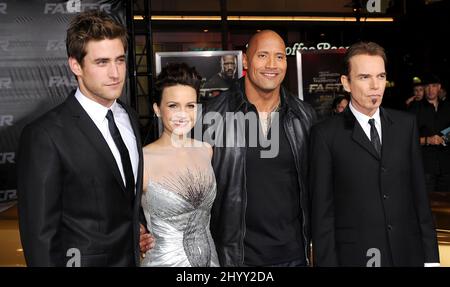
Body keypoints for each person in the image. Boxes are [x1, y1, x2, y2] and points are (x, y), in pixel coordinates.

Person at [17, 10, 152, 266]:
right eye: (102, 62)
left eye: (120, 60)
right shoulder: (44, 135)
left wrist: (138, 225)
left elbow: (123, 197)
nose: (115, 73)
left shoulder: (129, 117)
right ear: (76, 65)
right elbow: (40, 238)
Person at [310, 42, 440, 266]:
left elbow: (419, 197)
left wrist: (431, 259)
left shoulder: (405, 125)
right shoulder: (325, 135)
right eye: (364, 77)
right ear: (346, 83)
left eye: (380, 76)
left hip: (407, 254)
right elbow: (323, 214)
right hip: (356, 256)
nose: (375, 85)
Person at [202, 30, 317, 267]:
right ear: (245, 60)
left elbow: (316, 187)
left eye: (280, 56)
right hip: (236, 259)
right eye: (262, 55)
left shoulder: (305, 116)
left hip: (295, 256)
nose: (272, 65)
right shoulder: (212, 115)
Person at [140, 63, 219, 267]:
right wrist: (137, 233)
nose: (182, 114)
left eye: (190, 105)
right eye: (173, 105)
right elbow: (115, 214)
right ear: (157, 109)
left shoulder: (206, 151)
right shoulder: (143, 159)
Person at [408, 74, 450, 192]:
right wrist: (427, 140)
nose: (431, 90)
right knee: (427, 204)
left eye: (434, 86)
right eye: (427, 86)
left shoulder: (447, 107)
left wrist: (445, 138)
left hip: (446, 166)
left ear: (439, 87)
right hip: (425, 167)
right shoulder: (415, 109)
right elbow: (407, 138)